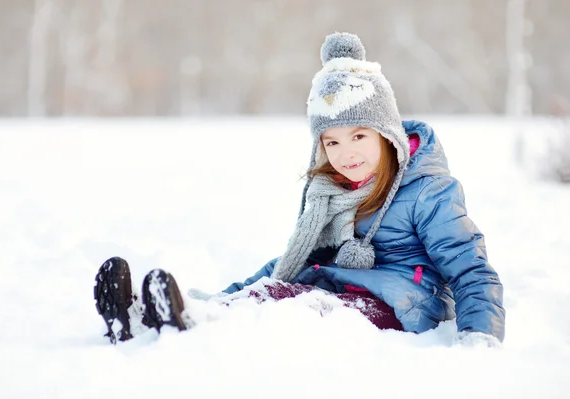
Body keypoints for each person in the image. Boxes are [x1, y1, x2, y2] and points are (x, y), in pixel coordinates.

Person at [93, 32, 505, 345]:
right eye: (332, 142)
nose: (347, 154)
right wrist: (221, 296)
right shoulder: (334, 194)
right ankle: (157, 319)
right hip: (342, 289)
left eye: (359, 136)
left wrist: (481, 337)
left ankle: (193, 328)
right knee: (273, 291)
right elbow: (289, 265)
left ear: (386, 134)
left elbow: (470, 267)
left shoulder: (428, 190)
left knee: (302, 307)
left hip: (408, 303)